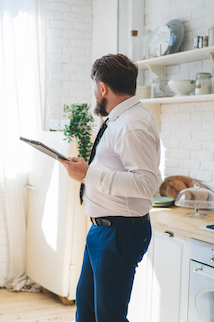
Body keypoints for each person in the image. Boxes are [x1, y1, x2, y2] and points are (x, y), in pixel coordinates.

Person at [58, 54, 161, 322]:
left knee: (108, 317)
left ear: (102, 87)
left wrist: (89, 174)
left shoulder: (131, 123)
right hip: (103, 230)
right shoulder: (119, 119)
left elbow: (146, 184)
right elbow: (115, 170)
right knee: (88, 313)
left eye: (95, 86)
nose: (94, 93)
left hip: (120, 233)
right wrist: (85, 172)